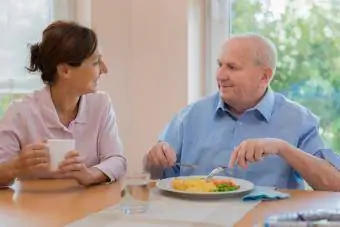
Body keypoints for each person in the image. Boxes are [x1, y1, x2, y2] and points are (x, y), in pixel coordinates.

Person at [145, 33, 340, 191]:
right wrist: (154, 160)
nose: (220, 75)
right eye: (220, 65)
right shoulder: (189, 116)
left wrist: (283, 148)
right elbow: (153, 176)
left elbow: (334, 184)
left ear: (264, 76)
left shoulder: (298, 120)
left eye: (232, 67)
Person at [0, 20, 126, 187]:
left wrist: (91, 175)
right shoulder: (20, 112)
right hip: (35, 210)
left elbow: (117, 160)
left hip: (88, 208)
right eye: (95, 62)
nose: (104, 68)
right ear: (65, 70)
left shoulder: (100, 104)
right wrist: (15, 167)